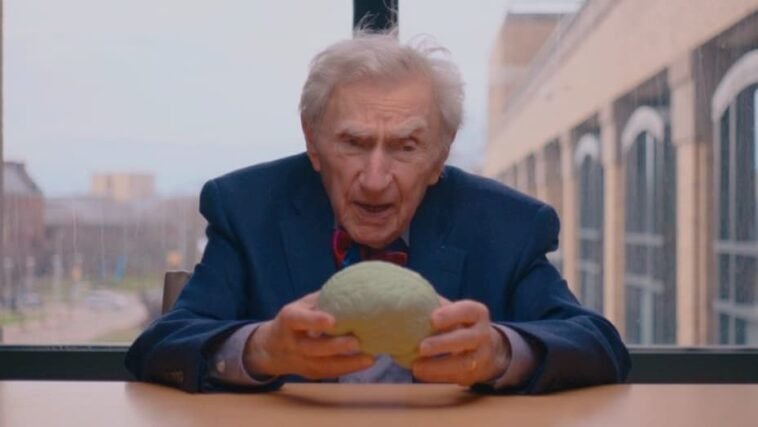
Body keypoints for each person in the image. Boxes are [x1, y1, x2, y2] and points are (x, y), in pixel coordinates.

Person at [125, 29, 630, 394]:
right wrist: (262, 348)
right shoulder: (245, 208)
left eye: (406, 147)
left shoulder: (508, 226)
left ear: (441, 152)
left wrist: (498, 352)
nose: (374, 178)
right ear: (312, 140)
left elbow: (599, 347)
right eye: (353, 143)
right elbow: (160, 347)